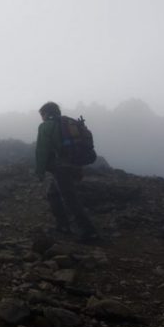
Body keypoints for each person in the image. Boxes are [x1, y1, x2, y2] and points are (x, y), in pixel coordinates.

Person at [35, 101, 98, 241]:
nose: (41, 118)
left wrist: (39, 172)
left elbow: (42, 150)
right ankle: (63, 226)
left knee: (70, 199)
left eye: (42, 114)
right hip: (75, 164)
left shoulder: (46, 126)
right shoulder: (70, 123)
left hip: (61, 167)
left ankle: (89, 232)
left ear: (46, 113)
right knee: (53, 193)